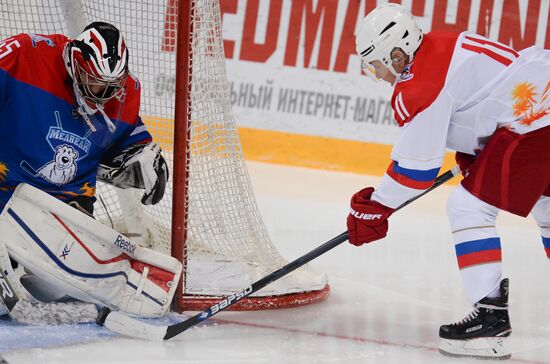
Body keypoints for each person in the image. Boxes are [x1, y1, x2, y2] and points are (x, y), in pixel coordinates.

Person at [348, 3, 550, 360]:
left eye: (377, 64)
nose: (377, 75)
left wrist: (374, 207)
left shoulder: (420, 84)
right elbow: (489, 96)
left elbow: (415, 173)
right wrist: (479, 151)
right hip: (538, 104)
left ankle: (490, 321)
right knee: (548, 207)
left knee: (468, 208)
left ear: (397, 54)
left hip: (535, 119)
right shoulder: (440, 45)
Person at [0, 22, 180, 323]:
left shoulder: (124, 94)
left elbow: (128, 139)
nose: (102, 95)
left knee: (65, 286)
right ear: (74, 62)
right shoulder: (24, 54)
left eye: (111, 88)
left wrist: (145, 156)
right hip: (5, 191)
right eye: (95, 83)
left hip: (66, 208)